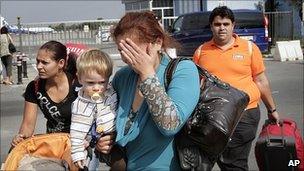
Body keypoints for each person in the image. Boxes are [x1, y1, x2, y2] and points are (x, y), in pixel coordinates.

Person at [105, 11, 200, 170]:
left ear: (157, 42)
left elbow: (170, 126)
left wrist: (147, 73)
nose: (126, 57)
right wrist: (106, 140)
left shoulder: (183, 70)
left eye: (131, 48)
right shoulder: (122, 77)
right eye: (121, 50)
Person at [193, 6, 280, 171]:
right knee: (211, 159)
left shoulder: (249, 48)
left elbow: (261, 81)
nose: (222, 28)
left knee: (235, 162)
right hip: (213, 116)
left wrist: (272, 109)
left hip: (246, 114)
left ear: (233, 25)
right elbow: (197, 85)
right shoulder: (201, 51)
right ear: (211, 26)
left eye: (226, 24)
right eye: (217, 24)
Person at [11, 40, 78, 146]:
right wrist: (19, 139)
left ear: (61, 63)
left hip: (80, 145)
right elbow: (27, 126)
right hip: (54, 146)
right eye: (38, 61)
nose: (38, 66)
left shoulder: (78, 83)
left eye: (44, 63)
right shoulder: (34, 87)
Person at [70, 49, 117, 169]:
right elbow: (77, 131)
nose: (97, 88)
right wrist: (77, 153)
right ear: (79, 79)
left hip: (116, 138)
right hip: (96, 142)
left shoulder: (111, 91)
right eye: (91, 83)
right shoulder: (80, 104)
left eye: (102, 82)